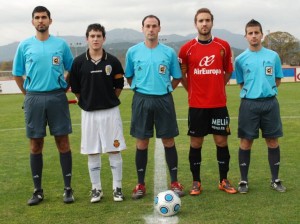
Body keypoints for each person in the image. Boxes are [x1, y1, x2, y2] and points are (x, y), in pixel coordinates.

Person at [12, 6, 74, 205]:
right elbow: (17, 73)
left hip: (57, 97)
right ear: (32, 22)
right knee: (35, 144)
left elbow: (72, 69)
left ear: (50, 21)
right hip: (34, 99)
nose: (41, 21)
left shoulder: (61, 45)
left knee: (62, 142)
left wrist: (63, 88)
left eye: (44, 17)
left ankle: (68, 189)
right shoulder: (24, 46)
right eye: (37, 18)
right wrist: (28, 94)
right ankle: (38, 191)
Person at [178, 8, 237, 196]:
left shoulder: (223, 46)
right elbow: (182, 75)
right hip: (196, 105)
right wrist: (193, 91)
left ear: (212, 22)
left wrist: (218, 86)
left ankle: (223, 179)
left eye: (207, 20)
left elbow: (228, 71)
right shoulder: (186, 49)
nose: (204, 24)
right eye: (201, 21)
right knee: (196, 143)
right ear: (195, 24)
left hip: (219, 104)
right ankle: (196, 182)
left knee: (221, 141)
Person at [125, 15, 184, 199]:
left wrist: (165, 90)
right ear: (142, 28)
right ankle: (140, 184)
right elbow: (129, 76)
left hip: (163, 100)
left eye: (154, 26)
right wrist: (140, 88)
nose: (151, 29)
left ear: (159, 28)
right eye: (148, 26)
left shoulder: (168, 52)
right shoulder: (132, 52)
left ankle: (174, 181)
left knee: (168, 140)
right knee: (142, 141)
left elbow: (177, 77)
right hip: (141, 100)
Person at [70, 23, 126, 203]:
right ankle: (96, 189)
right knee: (92, 151)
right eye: (92, 36)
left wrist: (108, 99)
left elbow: (119, 86)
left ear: (104, 39)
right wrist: (87, 102)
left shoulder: (113, 61)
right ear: (87, 39)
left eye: (98, 36)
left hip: (110, 112)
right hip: (89, 114)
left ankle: (117, 188)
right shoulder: (78, 62)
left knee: (114, 149)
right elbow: (76, 89)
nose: (95, 39)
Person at [234, 19, 286, 193]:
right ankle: (243, 181)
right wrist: (254, 94)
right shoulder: (240, 59)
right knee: (246, 141)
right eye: (250, 33)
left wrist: (265, 91)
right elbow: (241, 83)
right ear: (246, 36)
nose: (254, 36)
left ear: (262, 35)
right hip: (249, 104)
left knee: (272, 141)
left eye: (257, 32)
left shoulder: (273, 56)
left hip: (270, 104)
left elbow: (277, 79)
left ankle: (275, 179)